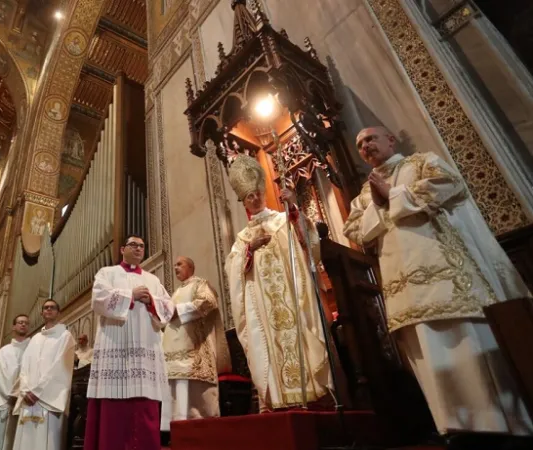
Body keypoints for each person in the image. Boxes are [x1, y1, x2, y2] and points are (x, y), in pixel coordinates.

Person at [343, 126, 532, 438]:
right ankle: (453, 427)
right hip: (402, 284)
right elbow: (355, 231)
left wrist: (392, 195)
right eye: (360, 143)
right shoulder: (363, 194)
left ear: (390, 139)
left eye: (371, 139)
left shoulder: (422, 163)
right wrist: (377, 203)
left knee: (464, 338)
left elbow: (449, 184)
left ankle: (501, 424)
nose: (365, 146)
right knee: (426, 350)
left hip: (447, 273)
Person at [224, 154, 331, 411]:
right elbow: (233, 272)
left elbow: (309, 245)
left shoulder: (283, 220)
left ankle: (312, 398)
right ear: (243, 203)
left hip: (292, 298)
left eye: (256, 193)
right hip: (263, 308)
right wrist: (250, 250)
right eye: (248, 196)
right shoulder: (242, 239)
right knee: (268, 346)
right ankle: (277, 401)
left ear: (263, 191)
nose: (254, 198)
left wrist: (294, 208)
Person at [84, 235, 175, 450]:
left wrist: (151, 300)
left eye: (142, 246)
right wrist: (130, 295)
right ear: (123, 248)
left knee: (144, 410)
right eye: (133, 245)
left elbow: (168, 308)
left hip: (145, 348)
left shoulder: (153, 280)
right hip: (115, 344)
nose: (138, 249)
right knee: (114, 415)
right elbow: (98, 300)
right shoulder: (107, 273)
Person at [161, 256, 231, 432]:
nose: (175, 268)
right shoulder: (176, 292)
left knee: (189, 385)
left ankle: (198, 426)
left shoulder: (201, 284)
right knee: (175, 385)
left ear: (190, 267)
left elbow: (208, 302)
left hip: (193, 347)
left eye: (179, 264)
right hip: (173, 347)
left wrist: (180, 310)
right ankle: (175, 429)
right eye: (174, 265)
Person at [12, 300, 76, 450]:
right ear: (41, 313)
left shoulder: (65, 336)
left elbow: (60, 367)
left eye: (52, 307)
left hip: (48, 399)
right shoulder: (35, 339)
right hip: (29, 397)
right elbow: (25, 367)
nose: (48, 309)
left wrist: (38, 391)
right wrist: (25, 389)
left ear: (58, 313)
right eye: (45, 308)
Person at [0, 314, 30, 450]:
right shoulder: (4, 351)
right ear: (14, 326)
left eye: (25, 322)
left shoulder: (33, 349)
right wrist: (10, 395)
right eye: (20, 322)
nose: (23, 324)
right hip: (6, 401)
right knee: (3, 440)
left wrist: (21, 395)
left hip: (25, 401)